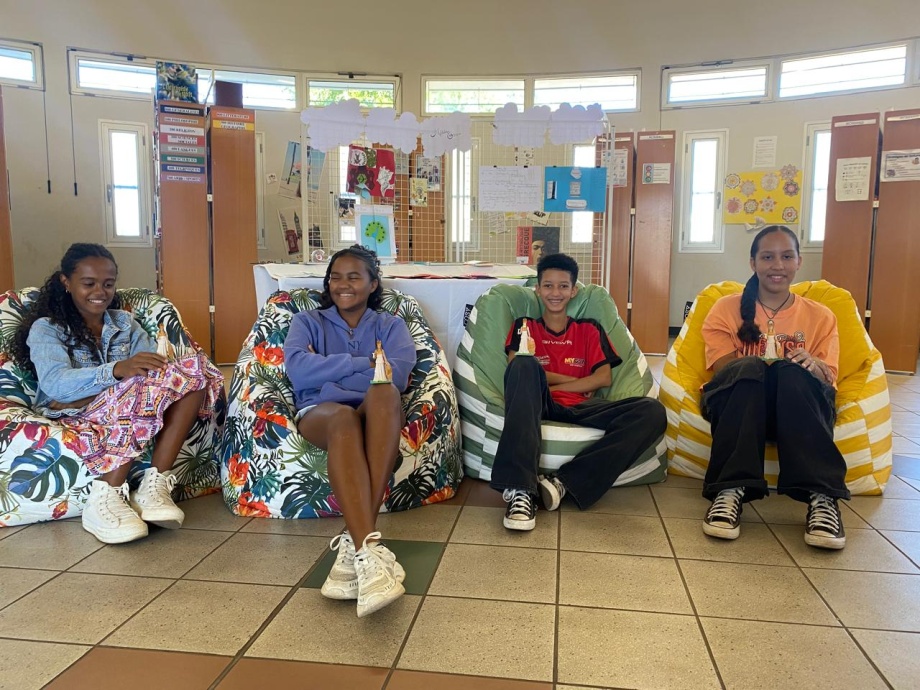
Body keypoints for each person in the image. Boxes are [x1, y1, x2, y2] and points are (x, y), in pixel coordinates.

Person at [10, 243, 223, 544]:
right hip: (71, 413)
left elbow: (152, 375)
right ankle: (105, 496)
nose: (100, 291)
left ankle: (154, 485)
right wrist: (117, 371)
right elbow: (56, 385)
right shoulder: (48, 328)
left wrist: (104, 386)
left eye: (108, 284)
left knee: (195, 371)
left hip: (115, 402)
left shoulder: (125, 324)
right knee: (136, 387)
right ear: (66, 282)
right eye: (89, 283)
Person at [284, 245, 416, 617]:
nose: (343, 285)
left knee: (385, 392)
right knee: (344, 417)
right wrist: (363, 363)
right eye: (336, 277)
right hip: (322, 413)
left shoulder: (390, 325)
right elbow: (298, 370)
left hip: (375, 409)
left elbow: (397, 375)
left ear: (373, 284)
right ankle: (368, 549)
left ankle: (355, 547)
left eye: (354, 277)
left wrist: (328, 371)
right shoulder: (307, 322)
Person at [491, 253, 667, 530]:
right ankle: (521, 490)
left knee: (652, 411)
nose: (555, 293)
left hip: (583, 407)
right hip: (538, 402)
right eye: (548, 285)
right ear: (537, 290)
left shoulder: (589, 329)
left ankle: (563, 482)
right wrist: (572, 380)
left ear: (573, 291)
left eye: (563, 286)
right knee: (525, 364)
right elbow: (517, 370)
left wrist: (550, 381)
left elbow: (603, 378)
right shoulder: (525, 326)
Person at [700, 225, 849, 550]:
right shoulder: (724, 308)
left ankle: (822, 496)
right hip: (741, 405)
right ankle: (729, 489)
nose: (777, 265)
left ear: (798, 262)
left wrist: (812, 364)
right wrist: (763, 366)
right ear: (753, 262)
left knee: (792, 373)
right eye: (767, 257)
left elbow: (828, 379)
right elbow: (723, 371)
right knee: (751, 369)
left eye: (786, 257)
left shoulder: (821, 316)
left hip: (799, 408)